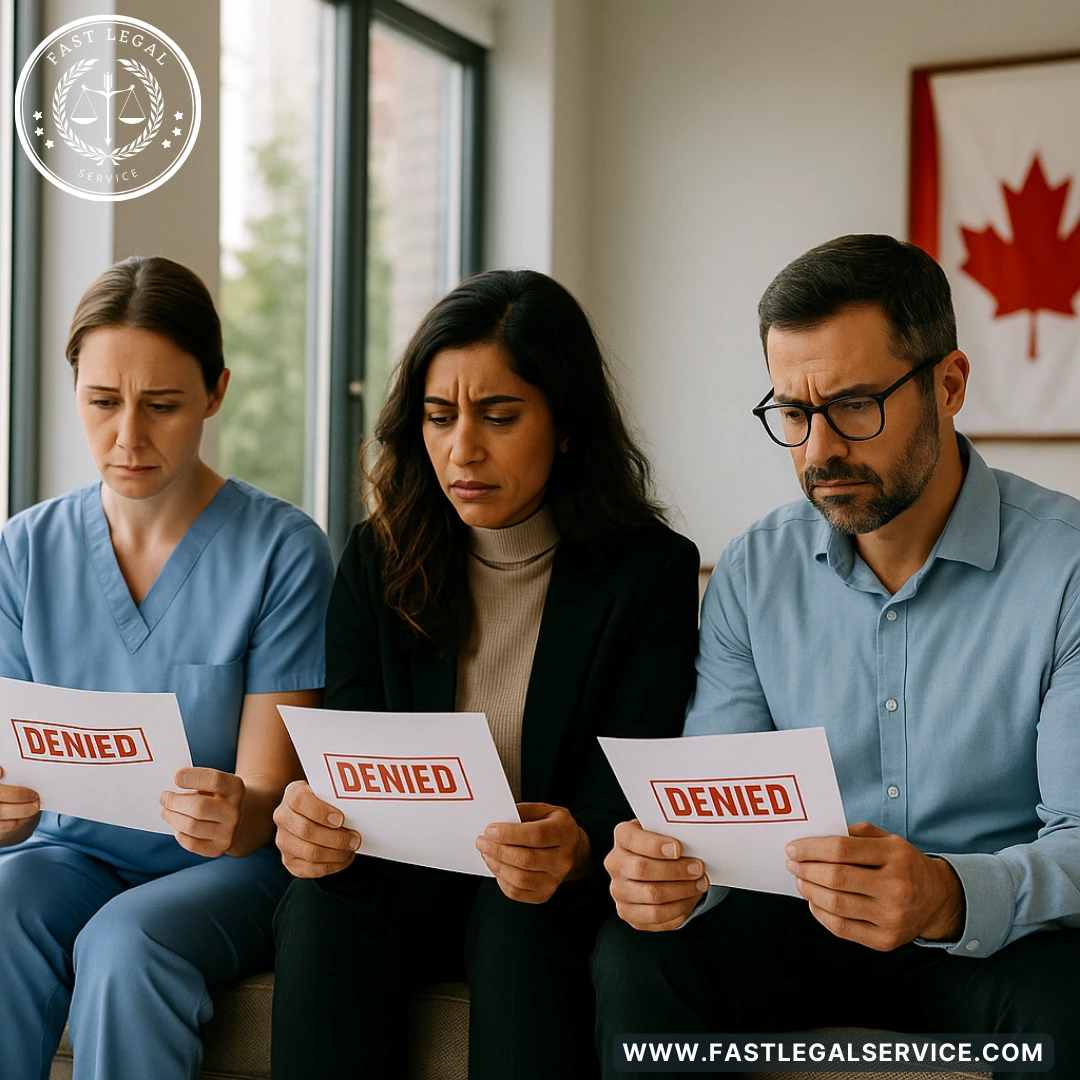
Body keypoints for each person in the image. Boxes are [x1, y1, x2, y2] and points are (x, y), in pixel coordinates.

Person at [593, 235, 1080, 1079]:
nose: (818, 450)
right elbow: (716, 810)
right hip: (798, 922)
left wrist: (946, 893)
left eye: (855, 405)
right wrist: (672, 873)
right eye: (793, 412)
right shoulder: (755, 569)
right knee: (639, 958)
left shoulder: (1066, 567)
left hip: (996, 941)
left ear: (949, 385)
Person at [270, 268, 701, 1079]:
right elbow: (349, 762)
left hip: (549, 893)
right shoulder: (377, 557)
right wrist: (310, 817)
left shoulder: (651, 572)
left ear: (566, 425)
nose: (462, 449)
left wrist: (576, 844)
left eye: (499, 417)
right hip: (408, 875)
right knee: (320, 902)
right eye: (439, 417)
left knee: (518, 915)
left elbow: (628, 785)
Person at [0, 256, 335, 1080]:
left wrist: (237, 810)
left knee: (125, 943)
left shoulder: (283, 551)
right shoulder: (24, 550)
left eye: (163, 405)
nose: (128, 437)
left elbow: (267, 797)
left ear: (215, 393)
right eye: (102, 402)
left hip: (226, 868)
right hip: (67, 854)